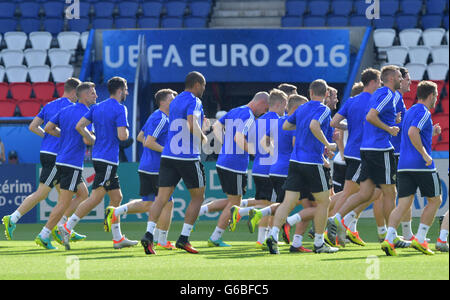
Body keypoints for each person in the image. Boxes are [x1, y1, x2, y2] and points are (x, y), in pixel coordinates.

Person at [2, 78, 86, 242]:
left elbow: (33, 126)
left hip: (50, 153)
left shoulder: (49, 105)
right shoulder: (71, 107)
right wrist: (61, 138)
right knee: (42, 193)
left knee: (78, 194)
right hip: (57, 156)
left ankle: (63, 226)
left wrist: (47, 136)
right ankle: (12, 219)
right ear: (75, 91)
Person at [327, 65, 403, 247]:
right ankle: (390, 235)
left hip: (365, 150)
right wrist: (390, 128)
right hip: (380, 148)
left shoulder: (373, 95)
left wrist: (391, 121)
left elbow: (369, 118)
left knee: (366, 192)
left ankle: (337, 218)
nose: (401, 79)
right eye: (399, 76)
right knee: (389, 193)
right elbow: (370, 116)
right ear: (390, 79)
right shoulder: (387, 95)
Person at [61, 76, 137, 250]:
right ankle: (67, 227)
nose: (127, 92)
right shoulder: (120, 108)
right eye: (125, 89)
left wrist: (92, 139)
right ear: (119, 90)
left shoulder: (97, 107)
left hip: (99, 156)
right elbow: (122, 136)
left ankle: (117, 239)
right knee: (95, 198)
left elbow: (80, 126)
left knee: (117, 197)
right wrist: (125, 130)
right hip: (108, 158)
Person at [264, 79, 339, 254]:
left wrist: (302, 127)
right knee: (324, 202)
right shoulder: (324, 109)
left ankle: (273, 235)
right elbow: (314, 125)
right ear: (326, 94)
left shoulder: (302, 108)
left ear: (311, 92)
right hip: (312, 161)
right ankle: (319, 243)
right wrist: (328, 144)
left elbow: (286, 125)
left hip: (295, 161)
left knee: (288, 201)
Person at [140, 71, 208, 255]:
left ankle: (148, 235)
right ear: (196, 85)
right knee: (198, 197)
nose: (203, 89)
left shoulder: (175, 101)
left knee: (161, 198)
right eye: (203, 86)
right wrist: (203, 138)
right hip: (187, 156)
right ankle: (184, 238)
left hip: (169, 156)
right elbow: (192, 124)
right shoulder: (194, 100)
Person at [104, 89, 178, 251]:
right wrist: (167, 151)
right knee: (167, 204)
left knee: (149, 204)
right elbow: (148, 142)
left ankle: (116, 212)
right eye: (172, 99)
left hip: (146, 166)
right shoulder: (162, 119)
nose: (174, 102)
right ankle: (162, 240)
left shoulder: (155, 116)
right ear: (163, 102)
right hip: (156, 168)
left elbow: (140, 137)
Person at [381, 80, 442, 256]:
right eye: (436, 96)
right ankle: (421, 238)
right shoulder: (424, 112)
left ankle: (389, 239)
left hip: (403, 165)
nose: (436, 99)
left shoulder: (410, 111)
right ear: (431, 95)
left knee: (402, 205)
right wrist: (424, 154)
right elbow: (412, 132)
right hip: (421, 166)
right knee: (435, 200)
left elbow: (413, 132)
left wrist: (432, 132)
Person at [35, 82, 97, 250]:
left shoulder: (65, 110)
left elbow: (48, 128)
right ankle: (45, 234)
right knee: (63, 203)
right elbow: (87, 140)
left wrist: (64, 137)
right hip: (72, 162)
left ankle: (62, 225)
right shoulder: (87, 114)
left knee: (83, 193)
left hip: (62, 159)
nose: (96, 96)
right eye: (92, 93)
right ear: (83, 95)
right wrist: (92, 138)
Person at [206, 91, 269, 247]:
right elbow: (238, 138)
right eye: (265, 109)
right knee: (235, 204)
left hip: (224, 161)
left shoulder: (235, 110)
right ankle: (215, 237)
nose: (264, 113)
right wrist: (255, 152)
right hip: (234, 164)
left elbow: (216, 126)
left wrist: (225, 145)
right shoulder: (248, 116)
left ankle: (200, 212)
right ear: (261, 103)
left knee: (232, 201)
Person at [229, 89, 287, 248]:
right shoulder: (278, 121)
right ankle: (257, 233)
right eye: (285, 104)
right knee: (272, 205)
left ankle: (262, 238)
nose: (286, 109)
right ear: (279, 103)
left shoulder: (258, 120)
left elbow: (250, 140)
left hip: (257, 166)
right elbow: (266, 141)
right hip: (270, 168)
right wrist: (274, 151)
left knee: (267, 202)